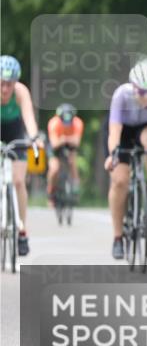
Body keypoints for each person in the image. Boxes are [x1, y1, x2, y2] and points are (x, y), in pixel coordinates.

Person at [105, 60, 147, 259]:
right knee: (120, 181)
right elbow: (114, 132)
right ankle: (118, 237)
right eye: (141, 92)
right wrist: (113, 155)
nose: (146, 96)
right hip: (122, 132)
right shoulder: (121, 95)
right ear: (133, 87)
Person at [0, 56, 41, 256]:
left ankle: (22, 231)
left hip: (15, 132)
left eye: (9, 84)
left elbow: (29, 119)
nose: (5, 89)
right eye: (1, 84)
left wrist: (34, 139)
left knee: (18, 181)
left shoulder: (21, 92)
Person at [46, 103, 84, 209]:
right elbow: (54, 144)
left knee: (73, 163)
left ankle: (75, 189)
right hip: (56, 148)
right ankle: (51, 191)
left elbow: (77, 142)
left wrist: (64, 139)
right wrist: (66, 139)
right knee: (54, 168)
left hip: (68, 145)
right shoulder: (53, 123)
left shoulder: (78, 123)